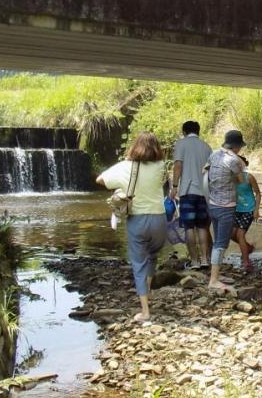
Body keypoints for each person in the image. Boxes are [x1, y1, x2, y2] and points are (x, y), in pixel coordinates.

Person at [96, 131, 168, 322]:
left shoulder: (125, 166)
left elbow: (101, 179)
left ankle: (145, 311)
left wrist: (122, 188)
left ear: (135, 146)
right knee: (152, 257)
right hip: (159, 218)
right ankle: (148, 293)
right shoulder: (161, 166)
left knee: (139, 264)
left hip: (137, 219)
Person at [205, 129, 246, 291]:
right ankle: (214, 280)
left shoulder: (214, 155)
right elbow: (241, 181)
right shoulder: (233, 160)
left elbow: (205, 172)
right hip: (226, 207)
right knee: (221, 244)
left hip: (212, 204)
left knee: (217, 242)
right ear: (236, 147)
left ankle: (216, 273)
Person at [170, 120, 212, 268]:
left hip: (187, 191)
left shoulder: (181, 144)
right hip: (203, 192)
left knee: (189, 227)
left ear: (184, 132)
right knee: (202, 227)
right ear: (198, 131)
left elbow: (178, 166)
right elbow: (210, 171)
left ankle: (194, 261)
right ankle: (205, 259)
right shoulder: (206, 147)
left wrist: (174, 186)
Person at [232, 156, 261, 272]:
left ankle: (246, 263)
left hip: (248, 210)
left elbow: (258, 193)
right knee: (230, 234)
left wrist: (256, 210)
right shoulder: (231, 179)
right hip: (236, 210)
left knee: (240, 235)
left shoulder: (249, 177)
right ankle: (248, 247)